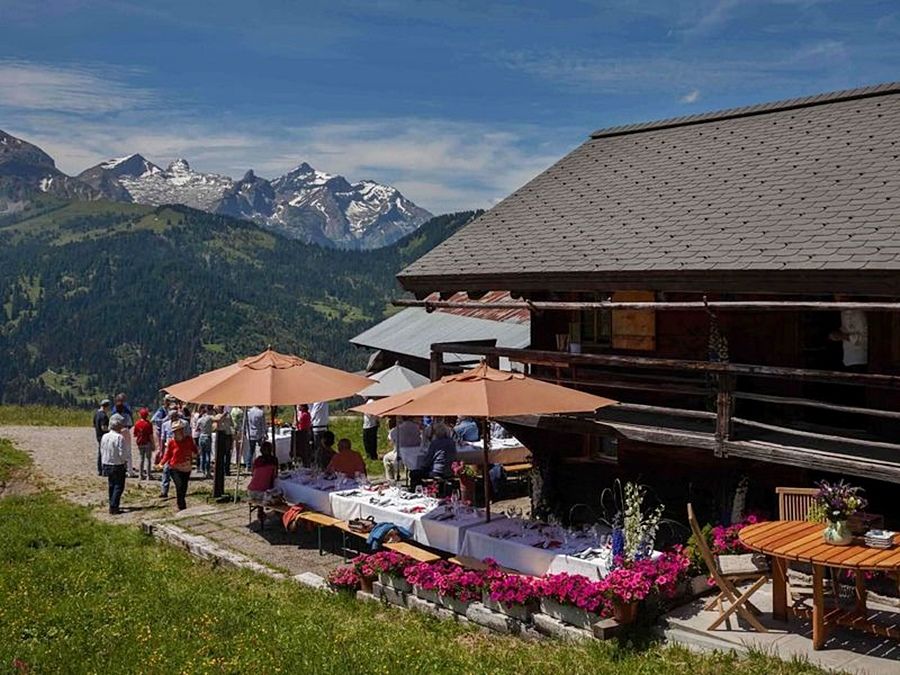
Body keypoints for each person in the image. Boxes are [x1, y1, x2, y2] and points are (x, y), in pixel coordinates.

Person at [159, 419, 196, 511]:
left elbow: (194, 450)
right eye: (175, 431)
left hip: (186, 467)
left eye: (179, 430)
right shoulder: (172, 442)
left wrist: (194, 455)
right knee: (179, 485)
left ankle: (181, 502)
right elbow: (168, 454)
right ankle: (181, 505)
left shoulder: (188, 440)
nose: (177, 432)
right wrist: (161, 463)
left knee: (184, 487)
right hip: (174, 467)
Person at [99, 414, 128, 514]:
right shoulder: (119, 437)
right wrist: (124, 461)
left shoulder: (105, 436)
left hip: (107, 463)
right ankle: (114, 506)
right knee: (119, 486)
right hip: (117, 464)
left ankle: (112, 502)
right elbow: (122, 453)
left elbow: (102, 449)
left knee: (111, 484)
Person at [247, 441, 279, 524]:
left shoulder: (257, 460)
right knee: (277, 493)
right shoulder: (274, 460)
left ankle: (261, 513)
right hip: (262, 493)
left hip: (251, 491)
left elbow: (253, 473)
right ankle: (275, 513)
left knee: (262, 488)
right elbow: (275, 476)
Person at [395, 416, 424, 484]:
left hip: (404, 452)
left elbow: (393, 438)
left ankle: (390, 479)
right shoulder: (417, 427)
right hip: (416, 452)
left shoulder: (398, 428)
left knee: (386, 458)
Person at [112, 393, 135, 476]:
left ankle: (120, 468)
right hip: (125, 431)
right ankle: (129, 470)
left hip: (116, 432)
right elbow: (130, 422)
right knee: (128, 451)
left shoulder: (114, 415)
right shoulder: (126, 414)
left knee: (118, 450)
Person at [133, 407, 155, 480]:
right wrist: (153, 444)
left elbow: (135, 434)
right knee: (148, 459)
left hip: (140, 442)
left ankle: (140, 475)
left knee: (141, 458)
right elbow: (151, 435)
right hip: (147, 442)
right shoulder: (149, 424)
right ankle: (148, 475)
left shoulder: (137, 423)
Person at [213, 406, 233, 475]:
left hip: (226, 435)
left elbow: (231, 424)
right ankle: (223, 469)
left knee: (226, 453)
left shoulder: (226, 415)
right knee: (224, 453)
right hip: (223, 434)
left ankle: (226, 469)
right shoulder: (219, 416)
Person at [93, 399, 111, 476]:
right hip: (104, 436)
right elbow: (103, 427)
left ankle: (100, 469)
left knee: (100, 452)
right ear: (106, 406)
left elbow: (94, 424)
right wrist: (111, 430)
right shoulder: (103, 416)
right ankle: (103, 469)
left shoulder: (96, 414)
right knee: (104, 453)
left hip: (98, 435)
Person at [245, 405, 266, 470]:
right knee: (262, 449)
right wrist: (265, 432)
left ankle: (248, 465)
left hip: (250, 433)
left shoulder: (248, 412)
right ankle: (263, 462)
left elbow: (246, 423)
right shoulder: (260, 412)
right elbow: (263, 424)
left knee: (251, 450)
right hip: (258, 433)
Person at [196, 406, 214, 478]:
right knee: (208, 455)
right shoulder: (210, 418)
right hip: (207, 436)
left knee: (202, 454)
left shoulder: (200, 419)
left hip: (201, 436)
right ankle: (207, 471)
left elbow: (197, 429)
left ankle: (202, 470)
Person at [383, 417, 399, 481]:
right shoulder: (414, 428)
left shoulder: (393, 431)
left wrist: (389, 431)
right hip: (413, 455)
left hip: (398, 455)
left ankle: (390, 480)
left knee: (386, 458)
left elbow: (390, 444)